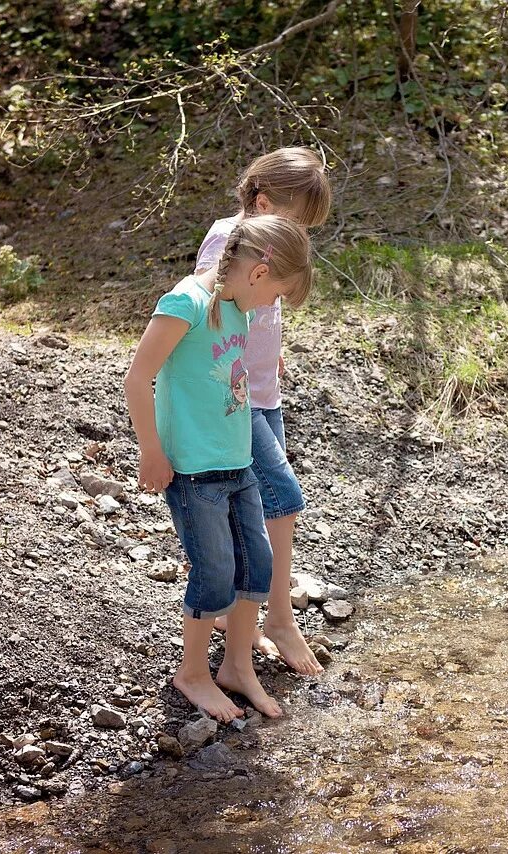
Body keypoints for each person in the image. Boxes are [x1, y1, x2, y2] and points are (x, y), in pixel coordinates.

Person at [124, 214, 313, 722]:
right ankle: (193, 674)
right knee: (215, 573)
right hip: (193, 469)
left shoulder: (238, 310)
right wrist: (151, 451)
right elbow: (138, 379)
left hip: (238, 461)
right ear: (259, 272)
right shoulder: (185, 303)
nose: (272, 306)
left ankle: (236, 667)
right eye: (276, 294)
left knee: (257, 562)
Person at [197, 147, 331, 676]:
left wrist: (272, 351)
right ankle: (277, 617)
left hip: (263, 391)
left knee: (250, 506)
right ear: (261, 200)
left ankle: (237, 612)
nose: (299, 233)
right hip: (232, 397)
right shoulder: (225, 238)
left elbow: (263, 305)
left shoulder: (269, 239)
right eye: (294, 221)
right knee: (283, 498)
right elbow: (211, 306)